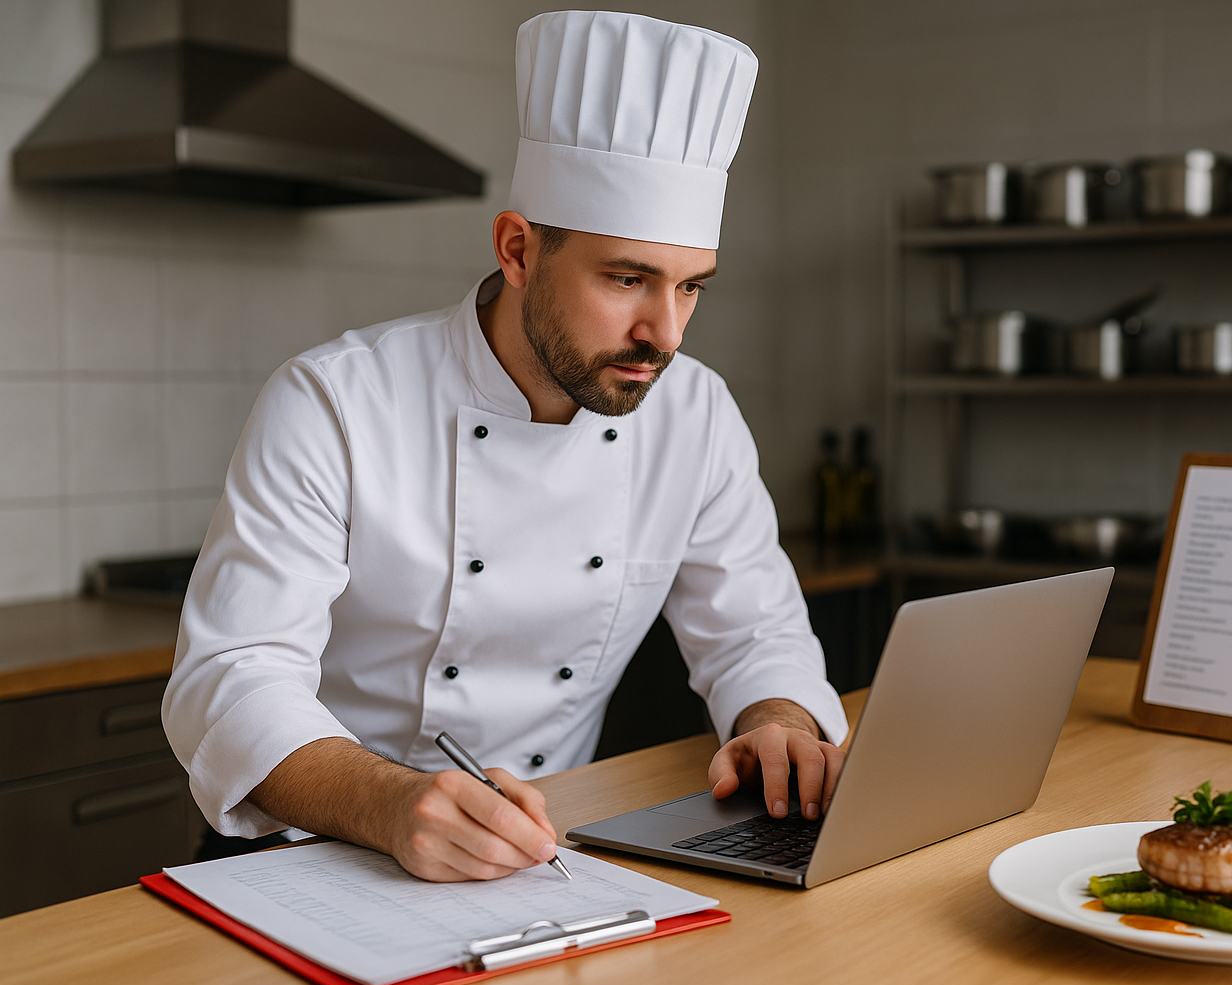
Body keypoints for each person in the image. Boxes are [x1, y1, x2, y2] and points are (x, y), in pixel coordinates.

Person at [163, 10, 849, 883]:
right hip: (304, 859)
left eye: (690, 288)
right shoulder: (336, 399)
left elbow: (755, 631)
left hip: (540, 855)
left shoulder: (697, 415)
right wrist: (389, 802)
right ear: (518, 249)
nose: (664, 333)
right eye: (627, 278)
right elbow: (231, 675)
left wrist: (780, 725)